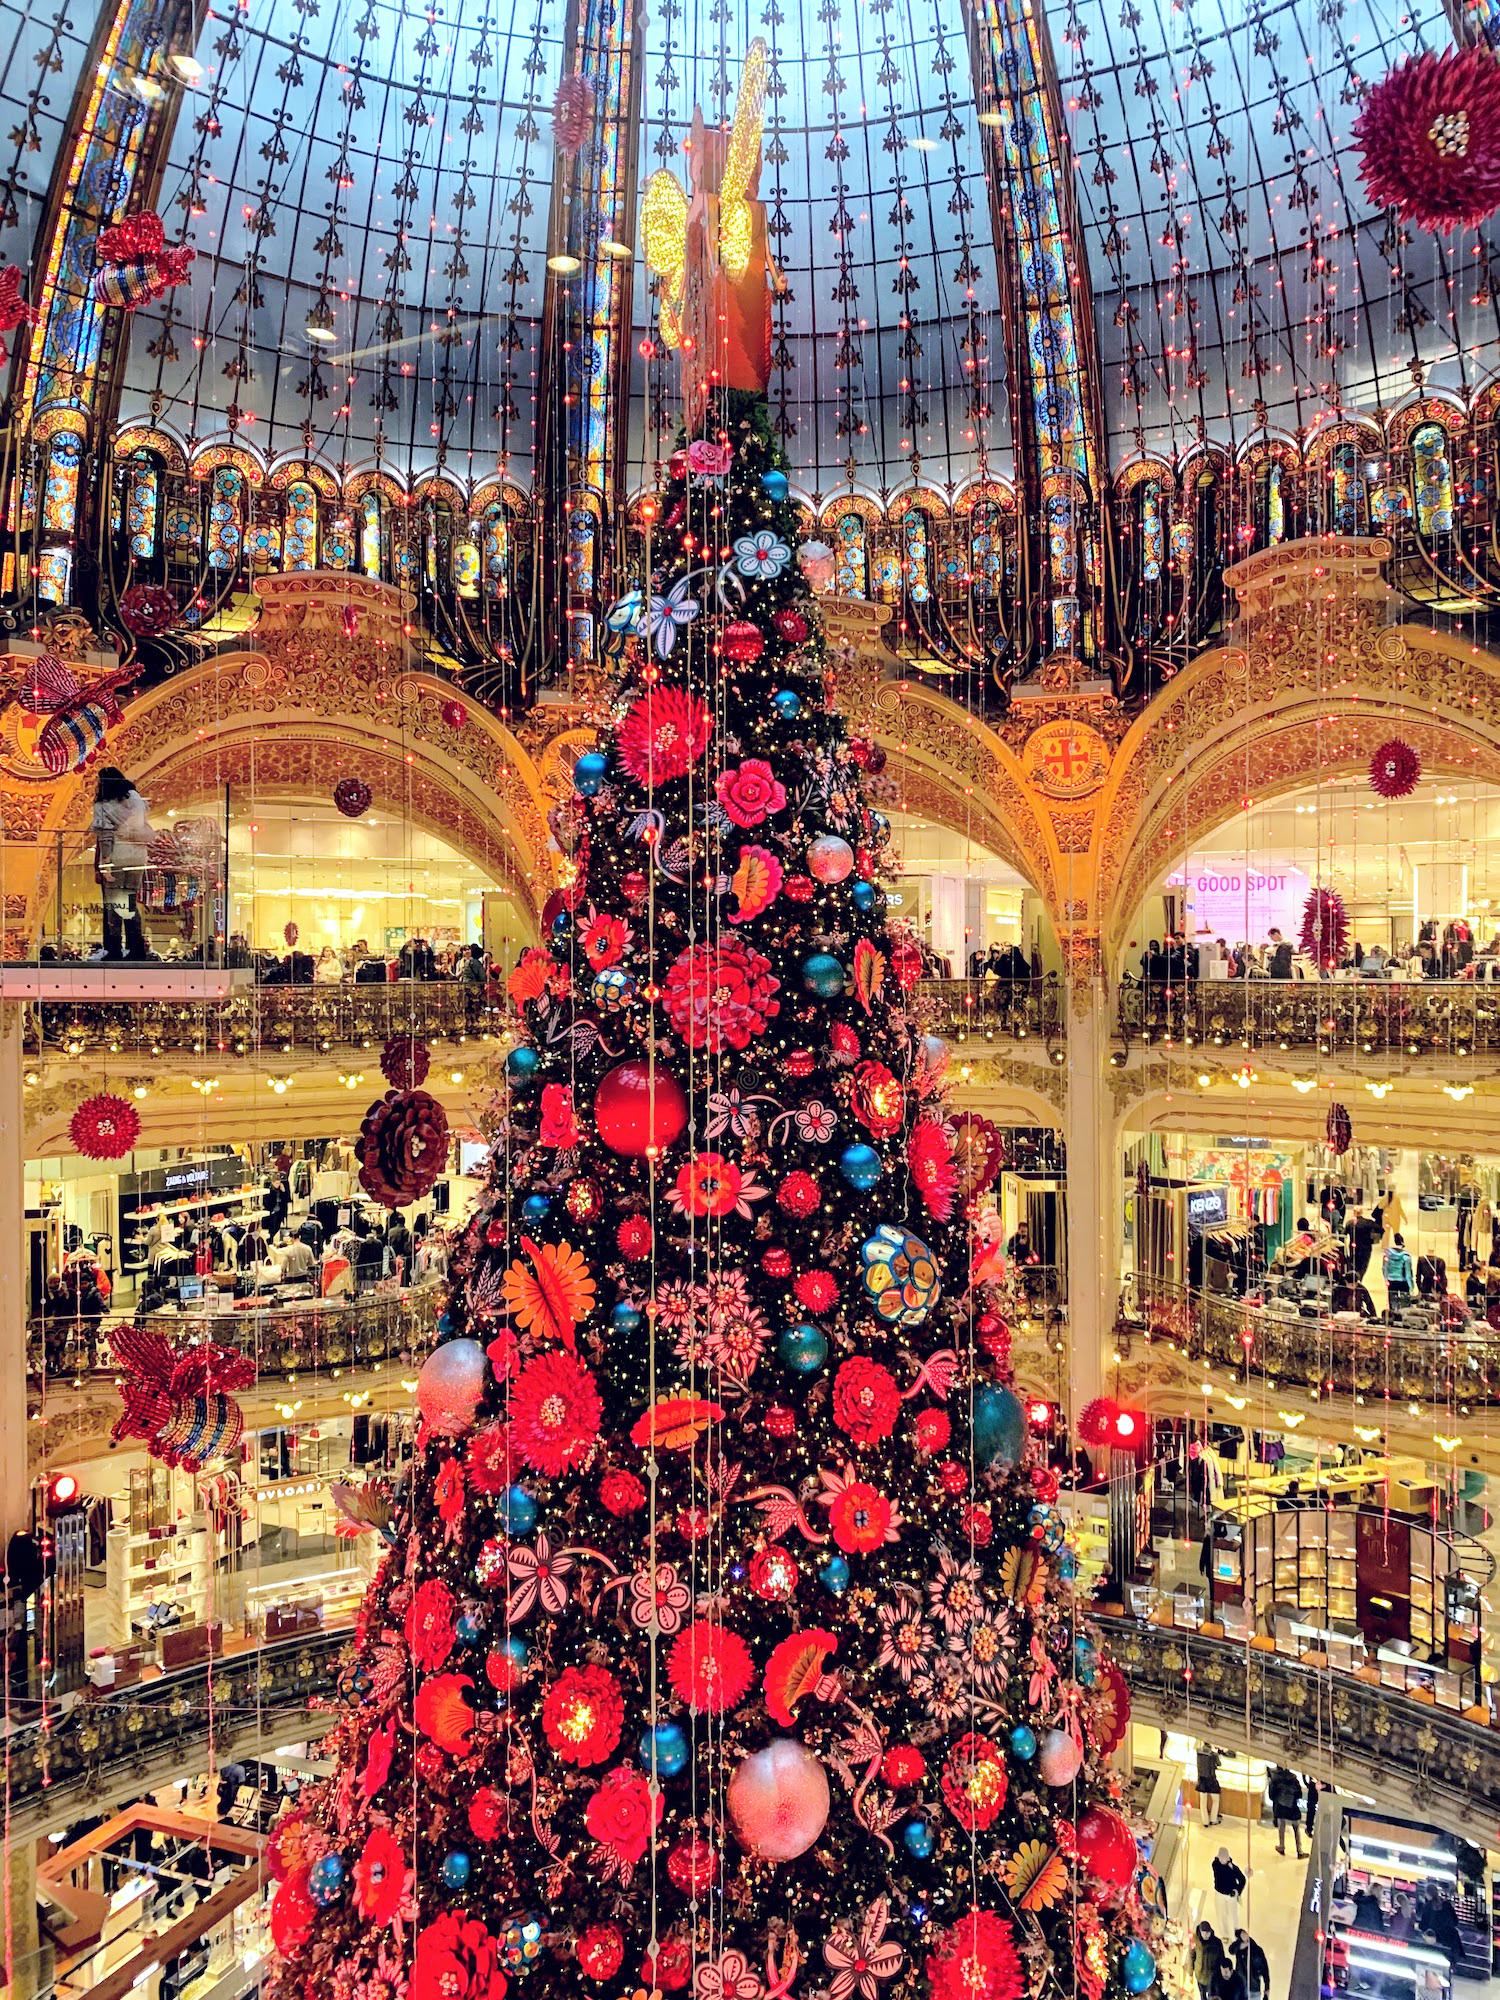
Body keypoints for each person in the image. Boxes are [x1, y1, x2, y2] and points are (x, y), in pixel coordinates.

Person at [92, 767, 153, 961]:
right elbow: (144, 825)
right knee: (130, 903)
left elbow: (105, 836)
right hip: (138, 857)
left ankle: (114, 949)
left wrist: (105, 862)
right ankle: (136, 947)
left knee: (114, 905)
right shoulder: (135, 797)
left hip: (117, 857)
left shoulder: (103, 804)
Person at [1267, 1766, 1305, 1856]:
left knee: (1281, 1827)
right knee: (1296, 1829)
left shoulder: (1274, 1779)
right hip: (1293, 1808)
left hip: (1280, 1808)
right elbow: (1299, 1794)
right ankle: (1299, 1851)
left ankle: (1282, 1846)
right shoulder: (1294, 1779)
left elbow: (1271, 1796)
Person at [1225, 1928, 1270, 2000]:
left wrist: (1267, 1989)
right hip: (1242, 1988)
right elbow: (1231, 1950)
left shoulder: (1256, 1950)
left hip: (1253, 1989)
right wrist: (1240, 1943)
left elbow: (1265, 1970)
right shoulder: (1239, 1949)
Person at [1212, 1847, 1247, 1939]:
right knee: (1221, 1915)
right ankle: (1224, 1935)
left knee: (1233, 1915)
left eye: (1225, 1858)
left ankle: (1236, 1934)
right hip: (1219, 1893)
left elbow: (1242, 1879)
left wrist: (1237, 1891)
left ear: (1228, 1858)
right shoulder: (1215, 1865)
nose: (1223, 1860)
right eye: (1221, 1858)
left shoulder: (1233, 1868)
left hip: (1230, 1895)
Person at [1192, 1921, 1227, 2000]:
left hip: (1213, 1976)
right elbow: (1191, 1955)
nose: (1206, 1935)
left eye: (1208, 1932)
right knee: (1203, 1997)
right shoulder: (1196, 1941)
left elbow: (1222, 1957)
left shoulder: (1217, 1942)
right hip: (1200, 1975)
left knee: (1214, 1996)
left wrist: (1223, 1972)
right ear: (1200, 1932)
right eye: (1204, 1932)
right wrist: (1190, 1970)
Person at [1383, 1232, 1415, 1314]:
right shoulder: (1406, 1257)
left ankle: (1393, 1318)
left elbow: (1384, 1268)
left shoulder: (1387, 1254)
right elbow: (1408, 1273)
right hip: (1403, 1282)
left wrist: (1386, 1279)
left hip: (1391, 1281)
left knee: (1392, 1303)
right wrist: (1411, 1287)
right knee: (1405, 1306)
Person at [459, 941, 487, 1027]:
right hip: (475, 989)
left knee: (468, 1007)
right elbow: (482, 977)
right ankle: (476, 1025)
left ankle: (468, 1024)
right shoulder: (477, 963)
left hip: (466, 987)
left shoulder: (467, 962)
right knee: (476, 1008)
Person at [1196, 1743, 1223, 1826]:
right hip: (1211, 1780)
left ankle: (1205, 1822)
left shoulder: (1198, 1752)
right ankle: (1213, 1819)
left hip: (1201, 1780)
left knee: (1203, 1803)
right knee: (1215, 1801)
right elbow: (1219, 1764)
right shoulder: (1213, 1755)